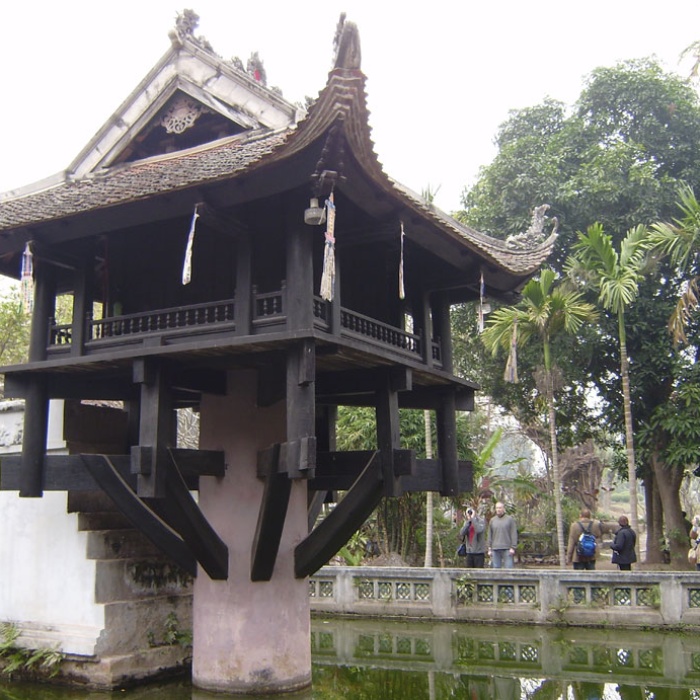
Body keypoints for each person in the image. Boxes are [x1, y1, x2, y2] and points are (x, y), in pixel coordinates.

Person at [488, 501, 518, 568]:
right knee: (496, 570)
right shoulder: (492, 520)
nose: (498, 509)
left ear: (503, 509)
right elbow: (490, 534)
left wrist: (513, 547)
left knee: (509, 569)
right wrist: (489, 548)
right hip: (495, 549)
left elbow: (513, 534)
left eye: (500, 508)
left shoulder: (510, 519)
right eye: (497, 508)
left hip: (507, 549)